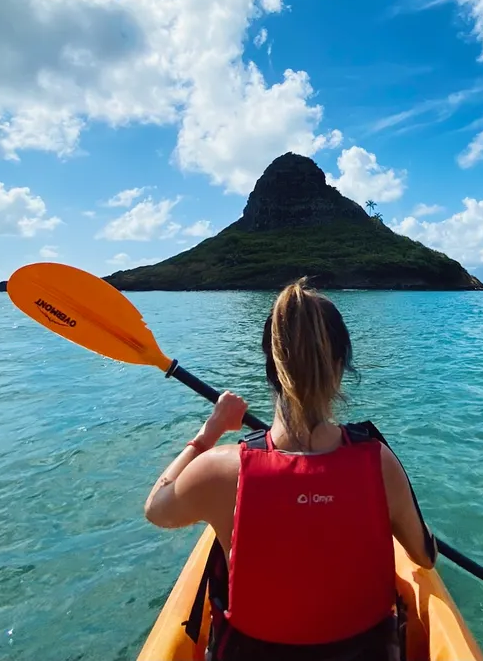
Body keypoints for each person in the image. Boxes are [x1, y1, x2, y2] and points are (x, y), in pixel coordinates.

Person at [144, 279, 436, 660]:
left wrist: (208, 433)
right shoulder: (378, 462)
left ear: (273, 367)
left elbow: (156, 508)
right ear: (339, 366)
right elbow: (425, 557)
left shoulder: (219, 470)